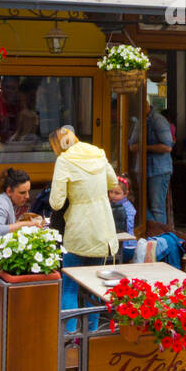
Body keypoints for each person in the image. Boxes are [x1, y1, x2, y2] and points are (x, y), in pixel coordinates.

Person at [48, 126, 119, 327]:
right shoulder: (98, 154)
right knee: (95, 287)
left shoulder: (64, 160)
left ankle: (70, 337)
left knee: (69, 287)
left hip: (77, 232)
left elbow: (56, 203)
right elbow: (113, 182)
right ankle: (92, 333)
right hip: (103, 229)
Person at [0, 167, 43, 237]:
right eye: (22, 193)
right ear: (9, 191)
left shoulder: (1, 199)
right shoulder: (1, 204)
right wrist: (25, 224)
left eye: (28, 191)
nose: (27, 196)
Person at [145, 102, 174, 225]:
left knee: (157, 208)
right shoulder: (141, 119)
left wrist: (143, 147)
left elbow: (168, 147)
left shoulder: (158, 120)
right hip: (147, 168)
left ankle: (160, 239)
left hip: (159, 169)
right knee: (141, 206)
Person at [109, 175, 137, 260]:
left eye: (117, 193)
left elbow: (127, 227)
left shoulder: (128, 208)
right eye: (111, 192)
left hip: (126, 247)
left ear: (125, 194)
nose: (113, 195)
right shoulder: (111, 204)